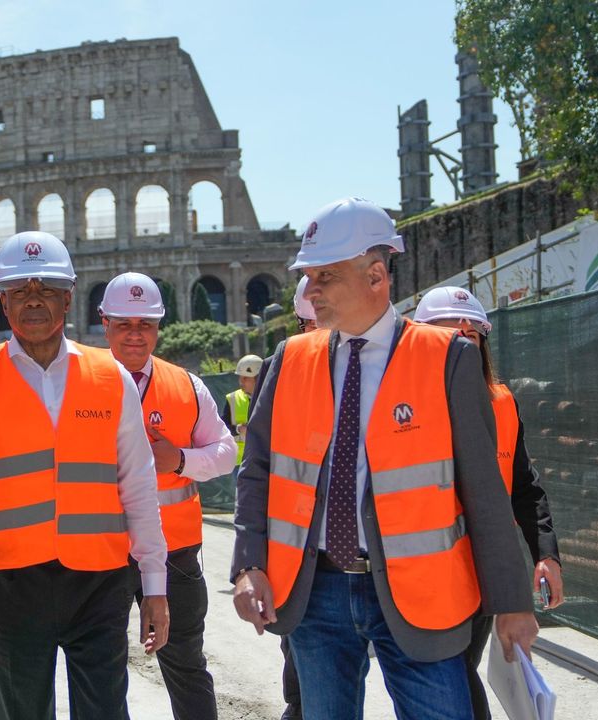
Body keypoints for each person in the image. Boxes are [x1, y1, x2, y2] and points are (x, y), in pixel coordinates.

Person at [231, 197, 538, 720]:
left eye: (325, 275)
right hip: (315, 592)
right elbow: (256, 471)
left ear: (376, 275)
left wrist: (512, 601)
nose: (310, 291)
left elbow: (486, 491)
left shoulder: (448, 358)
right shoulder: (290, 359)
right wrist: (248, 565)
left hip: (422, 595)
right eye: (308, 276)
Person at [0, 231, 169, 720]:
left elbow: (138, 484)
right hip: (10, 585)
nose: (32, 301)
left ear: (68, 296)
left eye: (45, 290)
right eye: (19, 291)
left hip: (99, 582)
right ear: (2, 300)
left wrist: (155, 584)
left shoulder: (110, 376)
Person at [415, 286, 564, 720]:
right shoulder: (402, 406)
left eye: (471, 338)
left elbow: (524, 486)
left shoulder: (502, 402)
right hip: (417, 571)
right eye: (448, 337)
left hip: (479, 570)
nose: (462, 346)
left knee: (458, 672)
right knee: (443, 676)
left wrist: (545, 555)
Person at [100, 271, 236, 720]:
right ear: (105, 323)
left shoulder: (188, 386)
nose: (135, 334)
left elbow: (224, 453)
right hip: (101, 551)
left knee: (184, 662)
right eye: (124, 323)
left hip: (175, 550)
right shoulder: (78, 382)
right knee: (99, 667)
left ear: (159, 326)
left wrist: (178, 459)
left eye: (146, 324)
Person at [275, 273, 319, 720]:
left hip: (386, 562)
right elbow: (259, 474)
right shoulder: (284, 370)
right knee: (306, 690)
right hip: (304, 558)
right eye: (308, 324)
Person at [222, 355, 262, 473]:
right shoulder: (233, 399)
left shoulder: (272, 398)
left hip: (267, 460)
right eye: (240, 377)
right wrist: (239, 429)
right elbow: (223, 429)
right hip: (241, 464)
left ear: (258, 378)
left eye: (246, 378)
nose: (240, 381)